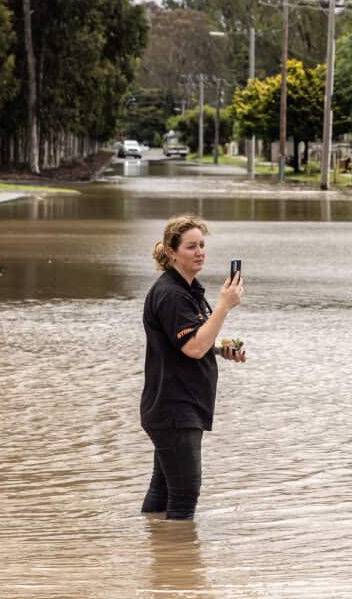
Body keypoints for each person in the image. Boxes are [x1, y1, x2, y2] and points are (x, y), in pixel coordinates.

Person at [140, 215, 246, 521]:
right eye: (191, 246)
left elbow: (193, 343)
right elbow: (193, 347)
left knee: (163, 491)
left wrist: (221, 349)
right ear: (172, 252)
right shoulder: (171, 294)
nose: (199, 251)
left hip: (175, 407)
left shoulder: (188, 291)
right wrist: (225, 305)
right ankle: (178, 565)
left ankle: (156, 552)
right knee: (185, 496)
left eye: (202, 245)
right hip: (174, 408)